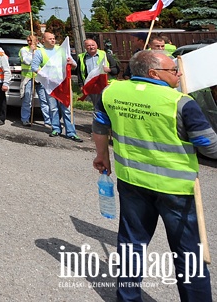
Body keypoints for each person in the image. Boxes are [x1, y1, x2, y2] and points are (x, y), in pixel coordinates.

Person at [92, 50, 217, 300]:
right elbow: (210, 147)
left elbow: (99, 125)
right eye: (173, 70)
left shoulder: (111, 92)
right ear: (153, 73)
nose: (179, 73)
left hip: (132, 181)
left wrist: (102, 155)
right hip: (176, 189)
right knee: (188, 253)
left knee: (131, 245)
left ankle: (127, 297)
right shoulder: (180, 102)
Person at [34, 32, 81, 141]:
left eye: (54, 38)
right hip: (50, 85)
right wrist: (45, 76)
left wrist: (71, 63)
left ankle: (71, 132)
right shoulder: (39, 52)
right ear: (43, 40)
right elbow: (34, 67)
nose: (53, 40)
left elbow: (74, 65)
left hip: (63, 84)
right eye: (50, 39)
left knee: (67, 108)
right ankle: (55, 128)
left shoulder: (62, 49)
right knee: (53, 108)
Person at [18, 35, 37, 126]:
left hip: (39, 78)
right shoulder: (24, 50)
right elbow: (27, 61)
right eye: (28, 40)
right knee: (27, 99)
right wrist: (31, 51)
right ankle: (25, 119)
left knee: (44, 100)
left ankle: (48, 121)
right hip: (28, 78)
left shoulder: (40, 50)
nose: (29, 42)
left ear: (36, 41)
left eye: (32, 40)